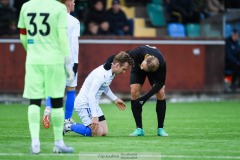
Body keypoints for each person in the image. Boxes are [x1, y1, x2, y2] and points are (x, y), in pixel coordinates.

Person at [18, 0, 74, 154]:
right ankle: (58, 143)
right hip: (54, 61)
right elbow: (62, 38)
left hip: (33, 61)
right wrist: (68, 64)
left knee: (34, 101)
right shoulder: (58, 8)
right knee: (56, 102)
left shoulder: (26, 6)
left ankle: (35, 143)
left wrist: (33, 51)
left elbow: (23, 35)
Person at [63, 51, 134, 136]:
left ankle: (73, 123)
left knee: (104, 132)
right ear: (117, 65)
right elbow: (90, 95)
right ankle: (69, 126)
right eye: (124, 69)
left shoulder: (111, 71)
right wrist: (94, 116)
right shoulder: (101, 75)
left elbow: (104, 86)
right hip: (84, 104)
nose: (124, 72)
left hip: (93, 104)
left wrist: (115, 99)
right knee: (97, 133)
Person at [42, 0, 80, 129]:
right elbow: (74, 45)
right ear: (68, 3)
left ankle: (48, 109)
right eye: (73, 2)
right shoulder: (74, 21)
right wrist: (75, 63)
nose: (75, 4)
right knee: (71, 89)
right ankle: (67, 119)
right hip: (69, 59)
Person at [127, 45, 168, 137]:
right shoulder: (138, 52)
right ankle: (139, 129)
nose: (142, 69)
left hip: (153, 68)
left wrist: (144, 99)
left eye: (144, 69)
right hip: (138, 62)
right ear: (145, 59)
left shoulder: (161, 64)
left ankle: (160, 129)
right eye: (143, 66)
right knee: (134, 91)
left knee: (161, 92)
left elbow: (159, 84)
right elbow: (123, 56)